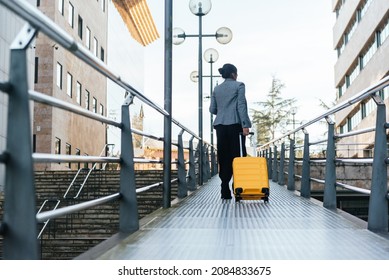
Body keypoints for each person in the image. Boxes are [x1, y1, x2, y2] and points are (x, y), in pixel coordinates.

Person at [209, 63, 252, 199]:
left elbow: (212, 109)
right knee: (238, 155)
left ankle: (224, 188)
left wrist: (223, 109)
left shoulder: (216, 89)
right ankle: (237, 185)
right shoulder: (239, 85)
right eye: (236, 73)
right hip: (235, 125)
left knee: (224, 155)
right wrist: (245, 124)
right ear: (233, 74)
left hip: (220, 126)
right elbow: (241, 105)